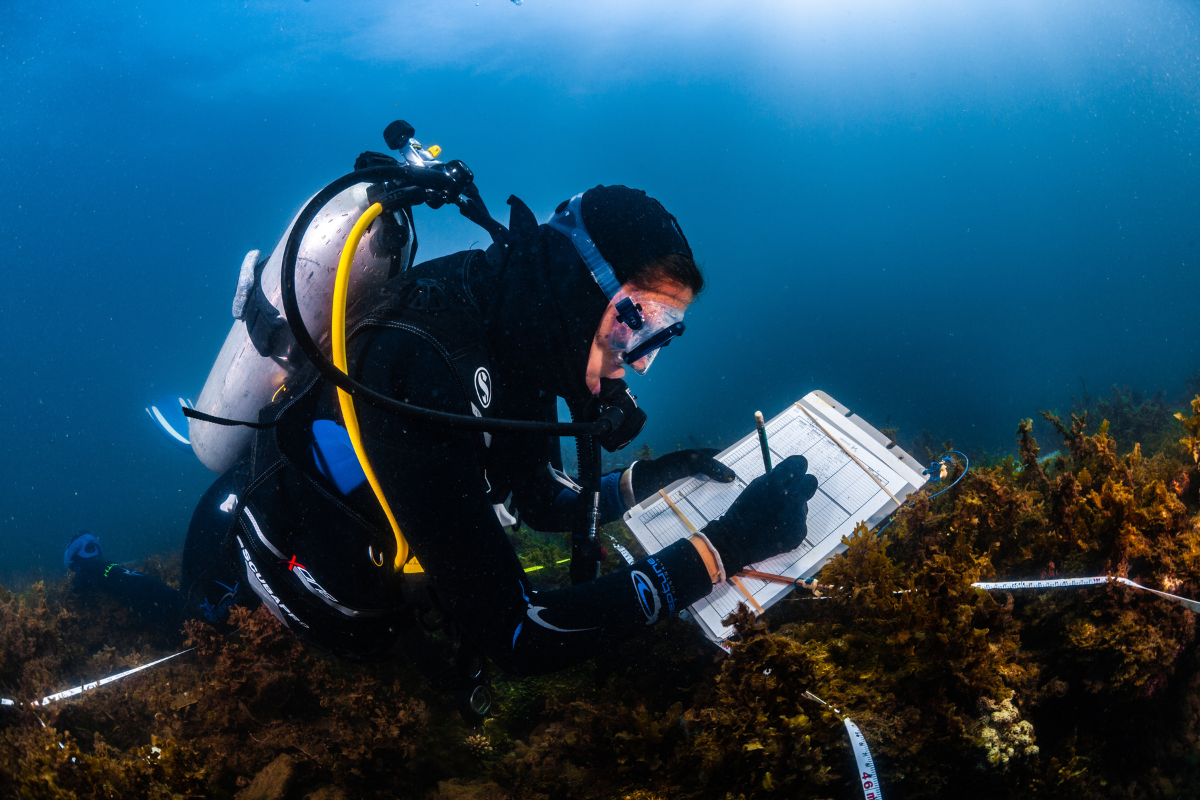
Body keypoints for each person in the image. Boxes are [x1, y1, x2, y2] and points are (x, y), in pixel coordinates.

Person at [67, 183, 818, 687]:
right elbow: (521, 634)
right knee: (194, 640)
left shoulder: (519, 335)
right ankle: (98, 576)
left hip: (374, 596)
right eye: (637, 318)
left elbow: (538, 498)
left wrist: (652, 477)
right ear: (578, 283)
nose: (643, 361)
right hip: (258, 576)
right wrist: (722, 549)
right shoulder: (418, 367)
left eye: (666, 333)